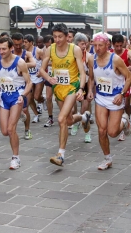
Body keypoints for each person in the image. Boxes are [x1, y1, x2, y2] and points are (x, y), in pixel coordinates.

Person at [39, 23, 90, 166]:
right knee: (67, 120)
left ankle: (60, 154)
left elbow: (82, 72)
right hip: (58, 88)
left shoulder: (75, 49)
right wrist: (48, 78)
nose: (57, 39)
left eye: (60, 37)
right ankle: (83, 117)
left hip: (72, 87)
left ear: (67, 36)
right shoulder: (50, 49)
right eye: (55, 37)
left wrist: (81, 89)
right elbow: (42, 70)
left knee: (61, 119)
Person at [87, 34, 131, 170]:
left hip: (115, 98)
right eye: (94, 45)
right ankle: (107, 159)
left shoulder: (116, 60)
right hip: (101, 97)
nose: (97, 48)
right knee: (101, 131)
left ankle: (124, 121)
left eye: (100, 45)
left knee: (112, 133)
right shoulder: (91, 59)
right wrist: (90, 90)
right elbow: (91, 78)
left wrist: (122, 94)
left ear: (107, 45)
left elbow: (129, 77)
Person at [0, 37, 32, 169]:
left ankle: (15, 158)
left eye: (4, 49)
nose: (1, 51)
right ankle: (20, 116)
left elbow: (29, 83)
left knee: (10, 129)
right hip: (4, 97)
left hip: (16, 97)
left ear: (11, 48)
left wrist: (23, 95)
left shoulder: (20, 63)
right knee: (4, 131)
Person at [111, 34, 131, 141]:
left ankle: (127, 120)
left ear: (124, 44)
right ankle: (121, 128)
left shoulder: (128, 53)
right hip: (114, 84)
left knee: (126, 104)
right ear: (112, 45)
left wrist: (125, 68)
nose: (118, 48)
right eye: (116, 46)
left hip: (126, 81)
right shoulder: (110, 53)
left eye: (120, 46)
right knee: (118, 106)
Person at [11, 33, 36, 139]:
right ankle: (12, 130)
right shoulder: (8, 53)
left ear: (22, 42)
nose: (17, 46)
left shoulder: (27, 53)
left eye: (19, 44)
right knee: (12, 109)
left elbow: (34, 64)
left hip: (25, 85)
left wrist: (21, 65)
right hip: (12, 85)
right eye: (15, 44)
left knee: (25, 109)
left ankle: (27, 130)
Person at [71, 32, 93, 143]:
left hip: (84, 85)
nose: (84, 46)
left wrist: (89, 90)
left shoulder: (89, 57)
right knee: (73, 109)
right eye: (82, 44)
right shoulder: (71, 55)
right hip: (73, 84)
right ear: (76, 44)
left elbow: (91, 77)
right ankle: (76, 123)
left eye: (85, 44)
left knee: (84, 110)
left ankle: (87, 133)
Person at [24, 34, 45, 122]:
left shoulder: (38, 51)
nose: (24, 44)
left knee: (36, 96)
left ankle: (43, 100)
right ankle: (36, 115)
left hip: (38, 76)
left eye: (26, 42)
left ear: (31, 42)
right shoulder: (23, 52)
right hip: (29, 77)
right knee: (29, 98)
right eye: (24, 42)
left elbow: (46, 61)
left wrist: (42, 71)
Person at [43, 35, 55, 127]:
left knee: (61, 99)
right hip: (49, 76)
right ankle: (50, 117)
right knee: (48, 97)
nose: (48, 47)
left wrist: (48, 62)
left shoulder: (56, 49)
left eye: (49, 45)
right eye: (46, 45)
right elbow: (44, 62)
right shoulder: (45, 50)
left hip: (59, 76)